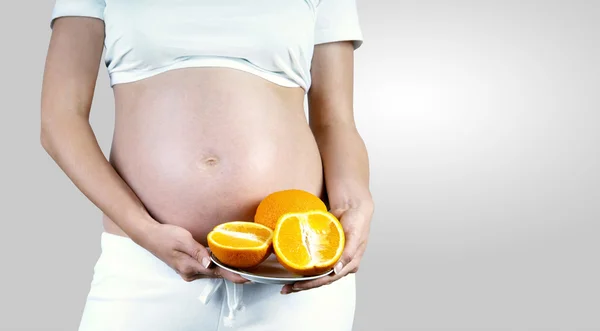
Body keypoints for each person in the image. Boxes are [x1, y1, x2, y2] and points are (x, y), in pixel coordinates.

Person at [40, 0, 374, 330]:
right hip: (145, 268)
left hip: (289, 270)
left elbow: (335, 122)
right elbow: (60, 119)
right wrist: (144, 231)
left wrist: (355, 202)